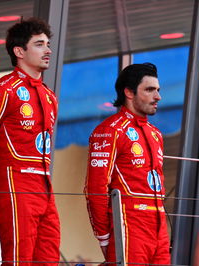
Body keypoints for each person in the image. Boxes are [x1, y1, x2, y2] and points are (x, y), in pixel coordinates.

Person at [0, 18, 60, 265]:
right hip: (14, 183)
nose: (48, 50)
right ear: (19, 51)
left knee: (49, 258)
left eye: (48, 44)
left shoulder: (49, 96)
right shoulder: (0, 90)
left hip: (45, 185)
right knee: (18, 259)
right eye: (39, 44)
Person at [84, 63, 170, 265]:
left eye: (158, 90)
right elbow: (95, 189)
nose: (157, 97)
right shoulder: (109, 130)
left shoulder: (155, 134)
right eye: (150, 90)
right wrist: (104, 237)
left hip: (159, 228)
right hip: (130, 227)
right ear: (129, 92)